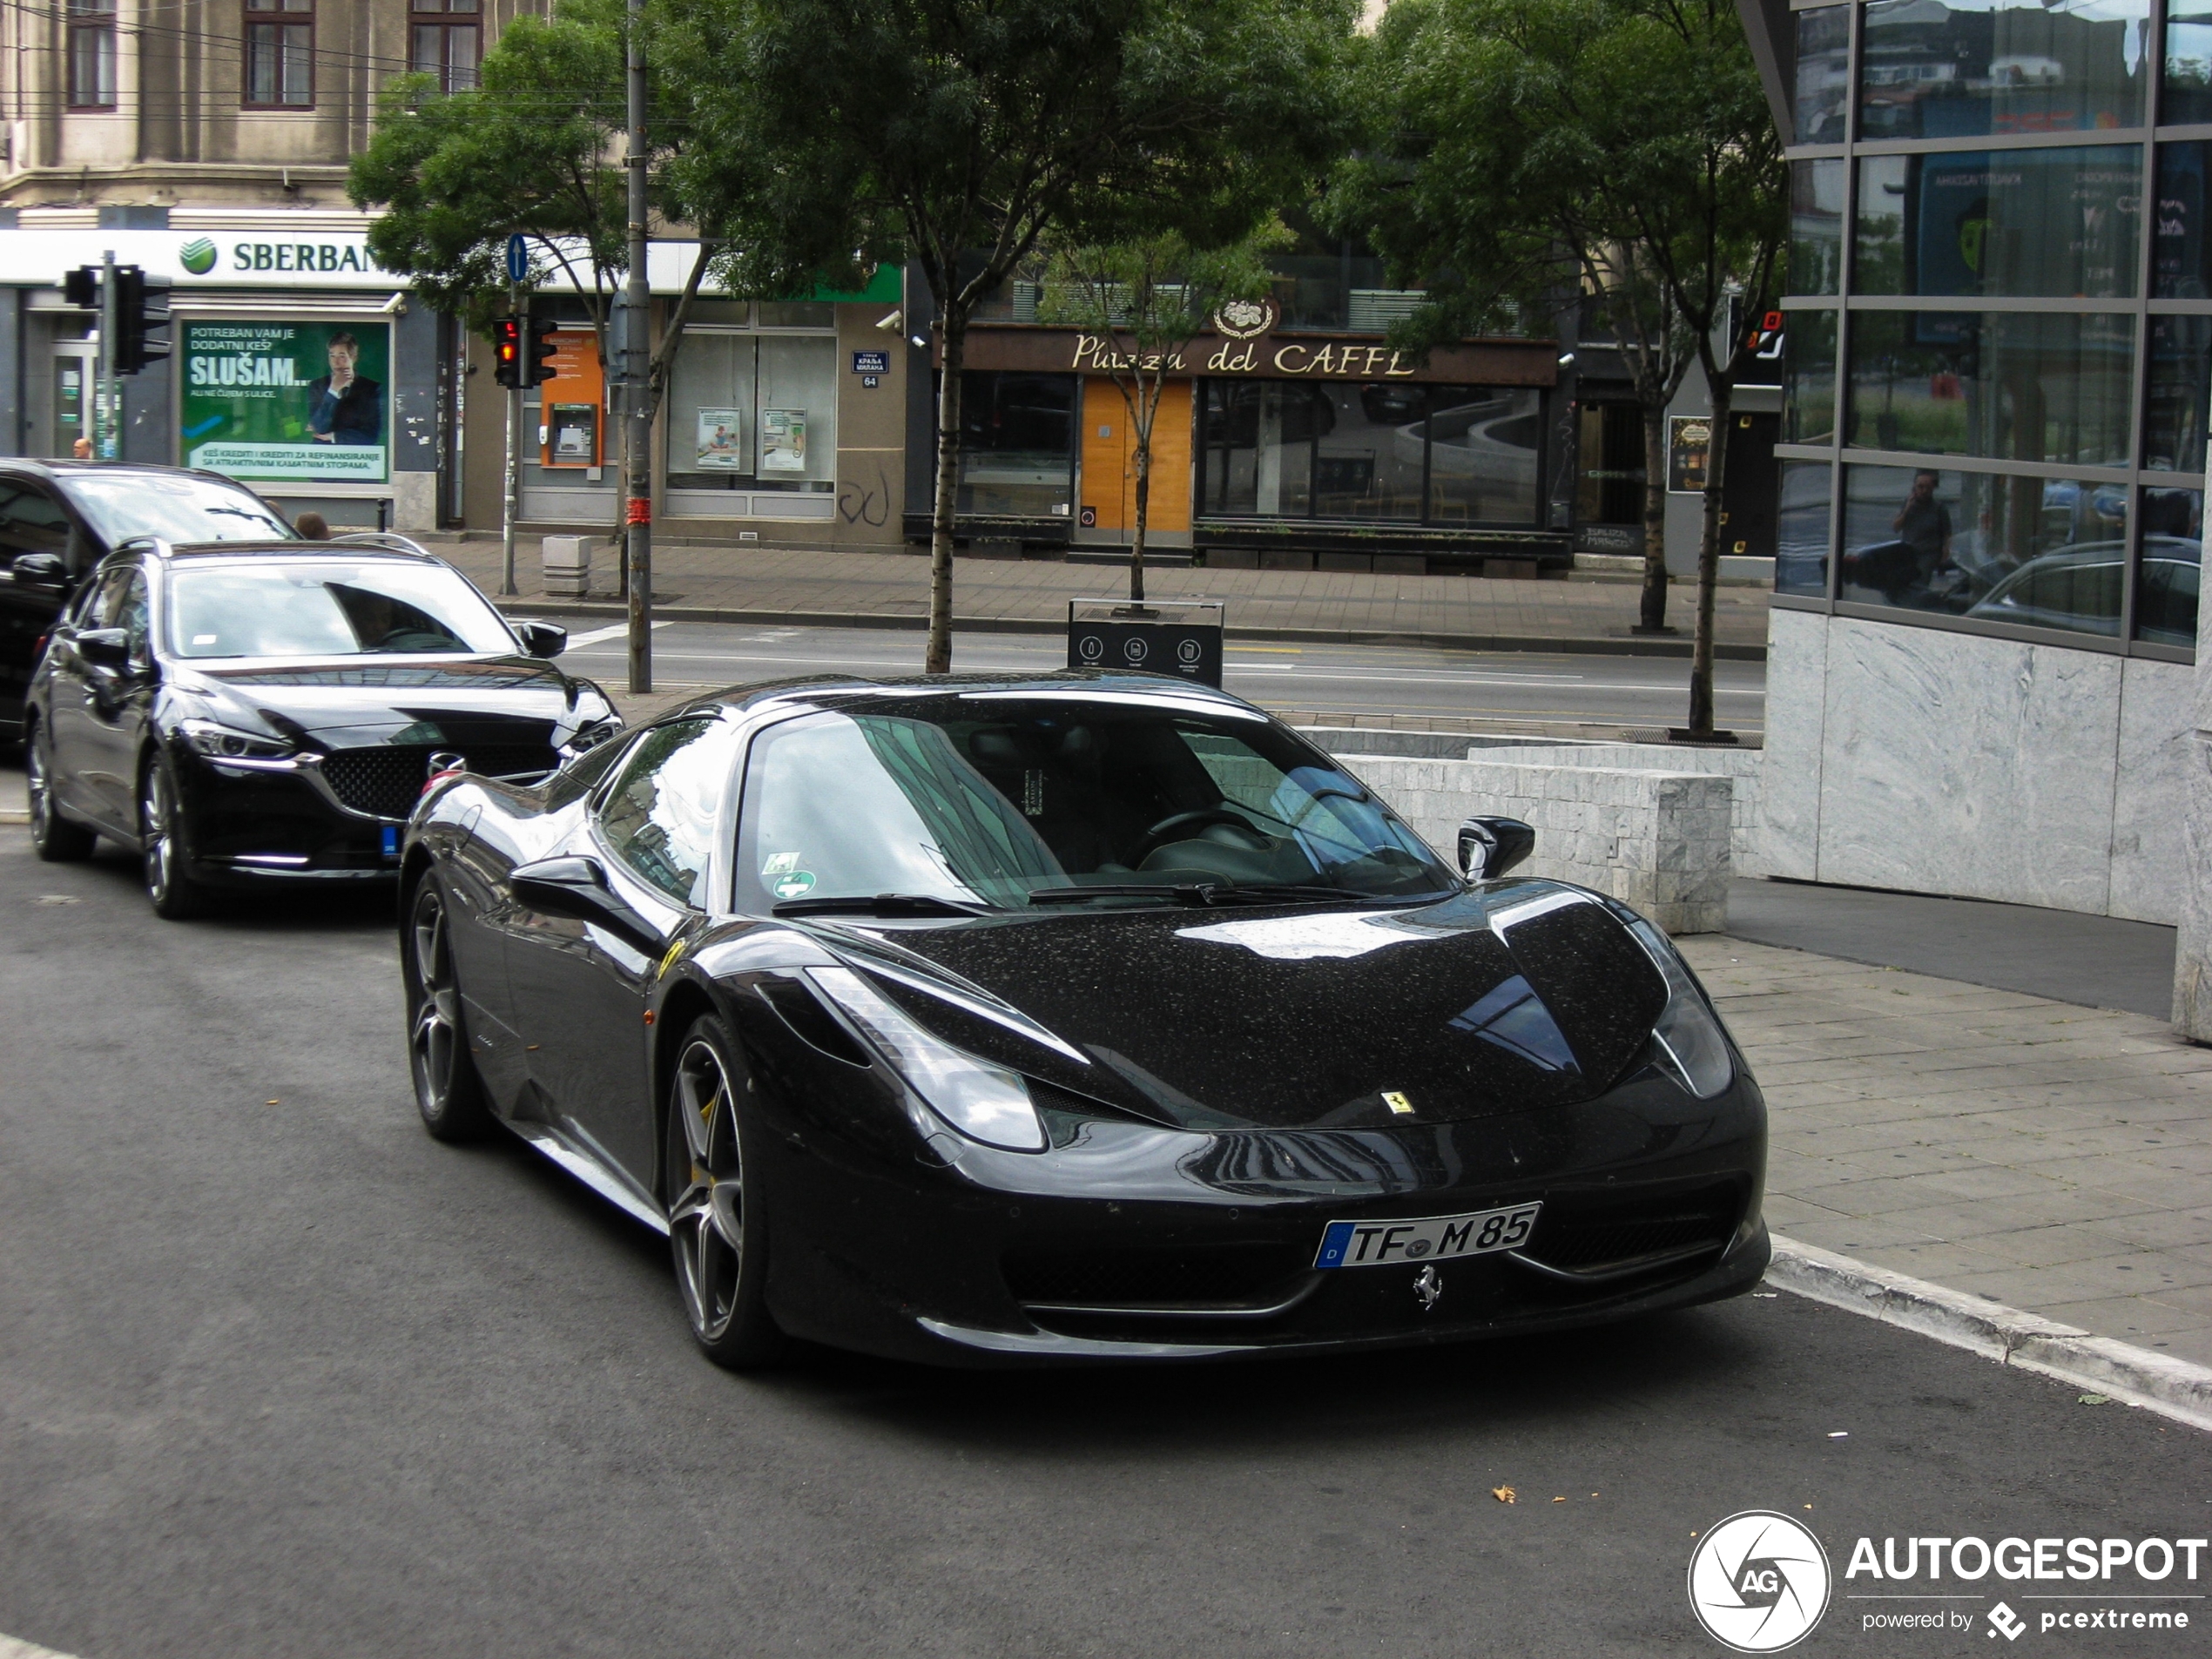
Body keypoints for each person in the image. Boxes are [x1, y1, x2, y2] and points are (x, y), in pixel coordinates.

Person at [307, 334, 382, 446]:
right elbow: (318, 427)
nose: (335, 362)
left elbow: (371, 434)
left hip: (356, 455)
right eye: (332, 355)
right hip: (323, 455)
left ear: (354, 358)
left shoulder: (371, 389)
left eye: (342, 356)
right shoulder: (317, 386)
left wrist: (335, 436)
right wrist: (333, 390)